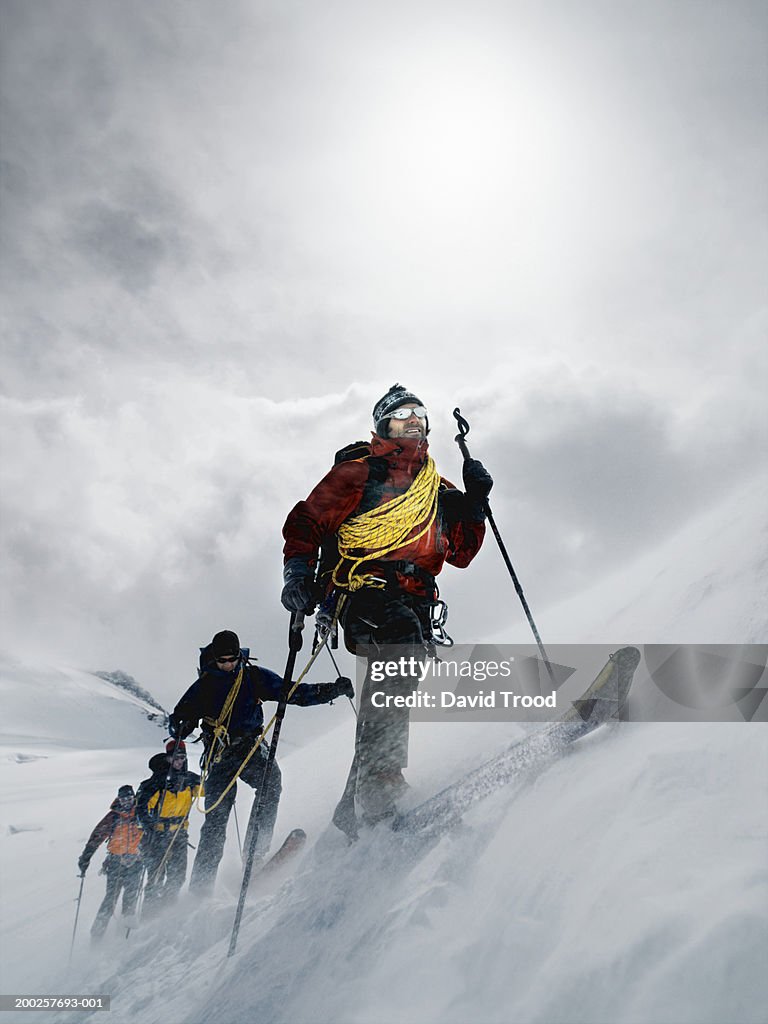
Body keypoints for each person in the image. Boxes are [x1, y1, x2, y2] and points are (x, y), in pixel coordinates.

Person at [281, 383, 492, 829]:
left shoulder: (437, 488)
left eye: (418, 415)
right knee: (400, 650)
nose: (412, 421)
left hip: (417, 601)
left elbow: (461, 554)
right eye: (401, 416)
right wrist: (297, 575)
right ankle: (379, 781)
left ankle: (352, 803)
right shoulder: (358, 475)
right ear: (382, 425)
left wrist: (475, 505)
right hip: (366, 592)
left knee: (395, 672)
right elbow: (307, 521)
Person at [168, 629, 354, 894]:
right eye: (223, 661)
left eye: (232, 659)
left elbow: (293, 693)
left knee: (270, 782)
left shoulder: (253, 677)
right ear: (214, 659)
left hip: (251, 747)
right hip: (220, 755)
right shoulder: (204, 686)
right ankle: (201, 885)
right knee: (215, 819)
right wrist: (181, 726)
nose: (228, 665)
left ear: (239, 655)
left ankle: (254, 854)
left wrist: (331, 691)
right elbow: (178, 718)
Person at [136, 740, 201, 913]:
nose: (180, 761)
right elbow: (141, 809)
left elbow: (207, 791)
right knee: (156, 877)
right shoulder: (156, 783)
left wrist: (206, 780)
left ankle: (166, 910)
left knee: (178, 877)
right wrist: (150, 827)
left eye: (183, 757)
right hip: (157, 837)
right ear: (168, 759)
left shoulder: (190, 780)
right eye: (176, 758)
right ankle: (148, 914)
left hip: (179, 835)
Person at [77, 784, 143, 939]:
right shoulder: (113, 817)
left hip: (136, 863)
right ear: (118, 799)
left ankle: (126, 936)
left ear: (133, 798)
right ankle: (97, 935)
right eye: (123, 799)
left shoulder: (141, 813)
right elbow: (96, 837)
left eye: (129, 798)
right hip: (115, 863)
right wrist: (85, 857)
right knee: (110, 899)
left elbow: (149, 835)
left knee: (130, 898)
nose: (126, 802)